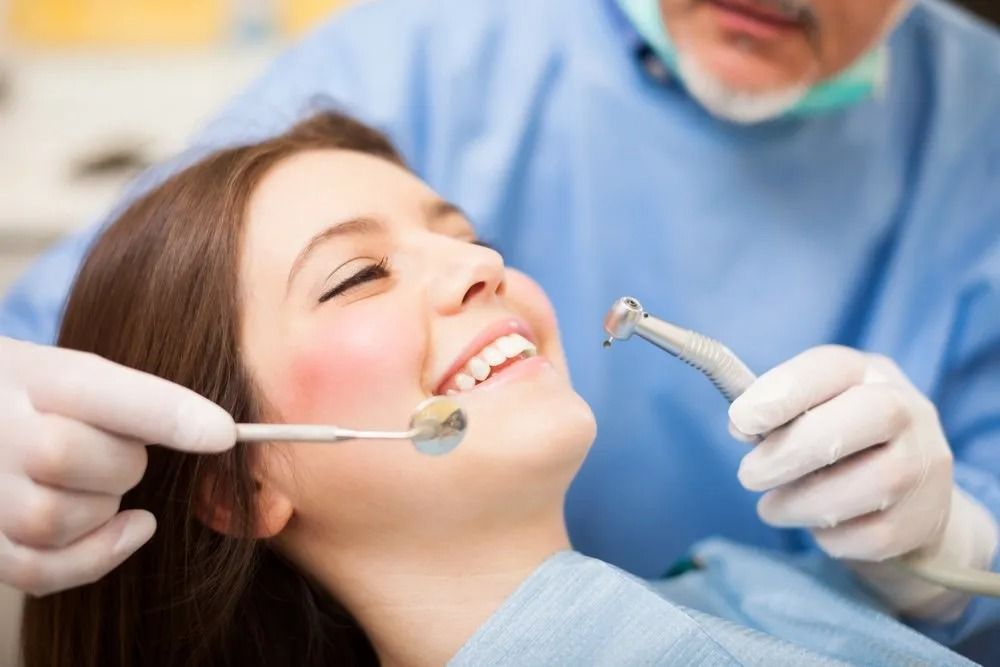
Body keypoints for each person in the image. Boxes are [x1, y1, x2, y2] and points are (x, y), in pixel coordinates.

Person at [1, 0, 998, 656]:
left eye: (468, 231)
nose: (479, 263)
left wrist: (944, 551)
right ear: (232, 476)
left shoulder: (748, 594)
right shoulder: (438, 43)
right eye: (357, 274)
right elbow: (96, 344)